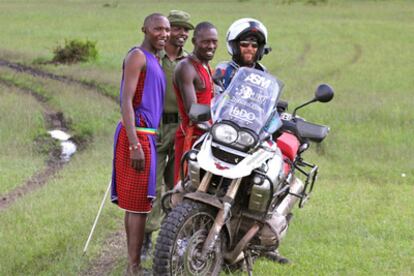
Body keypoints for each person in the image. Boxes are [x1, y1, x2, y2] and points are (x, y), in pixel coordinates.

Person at [213, 18, 290, 265]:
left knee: (269, 176)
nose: (249, 49)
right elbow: (216, 100)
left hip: (251, 138)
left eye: (254, 46)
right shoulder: (224, 71)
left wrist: (278, 117)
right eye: (245, 44)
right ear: (235, 46)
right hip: (226, 133)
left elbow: (268, 108)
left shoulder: (264, 75)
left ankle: (262, 240)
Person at [110, 13, 170, 275]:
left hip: (148, 135)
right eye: (158, 28)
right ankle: (133, 267)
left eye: (167, 30)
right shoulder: (137, 56)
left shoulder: (155, 60)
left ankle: (132, 264)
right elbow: (125, 101)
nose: (164, 34)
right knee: (138, 205)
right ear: (144, 29)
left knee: (139, 203)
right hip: (137, 136)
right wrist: (134, 144)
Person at [141, 10, 194, 261]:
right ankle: (146, 237)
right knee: (152, 184)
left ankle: (172, 236)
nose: (181, 33)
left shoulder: (190, 60)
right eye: (177, 28)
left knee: (178, 184)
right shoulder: (152, 57)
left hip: (182, 129)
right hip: (157, 127)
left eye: (186, 29)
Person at [173, 22, 218, 185]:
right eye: (206, 41)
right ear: (194, 42)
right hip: (192, 137)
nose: (211, 46)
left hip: (208, 138)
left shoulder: (205, 66)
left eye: (214, 41)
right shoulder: (187, 67)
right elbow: (194, 111)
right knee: (184, 186)